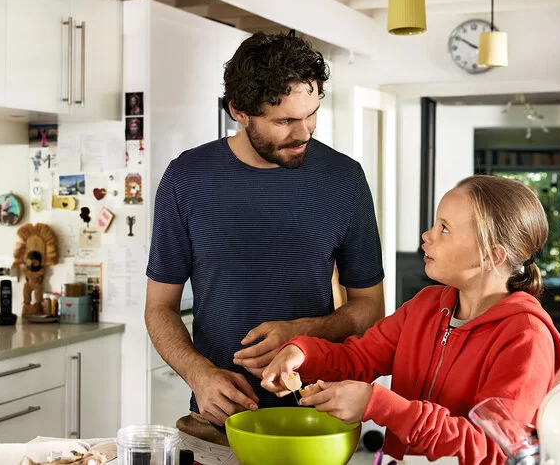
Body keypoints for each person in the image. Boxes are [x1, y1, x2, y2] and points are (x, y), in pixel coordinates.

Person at [145, 31, 385, 441]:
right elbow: (159, 308)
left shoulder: (345, 179)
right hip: (219, 420)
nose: (304, 132)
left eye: (311, 113)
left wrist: (302, 332)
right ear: (238, 111)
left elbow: (370, 308)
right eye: (285, 121)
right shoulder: (186, 179)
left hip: (316, 414)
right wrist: (199, 375)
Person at [262, 175, 560, 465]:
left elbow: (493, 450)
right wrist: (301, 354)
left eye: (445, 228)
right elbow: (358, 357)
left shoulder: (526, 338)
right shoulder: (425, 306)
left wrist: (380, 405)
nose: (427, 235)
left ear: (492, 256)